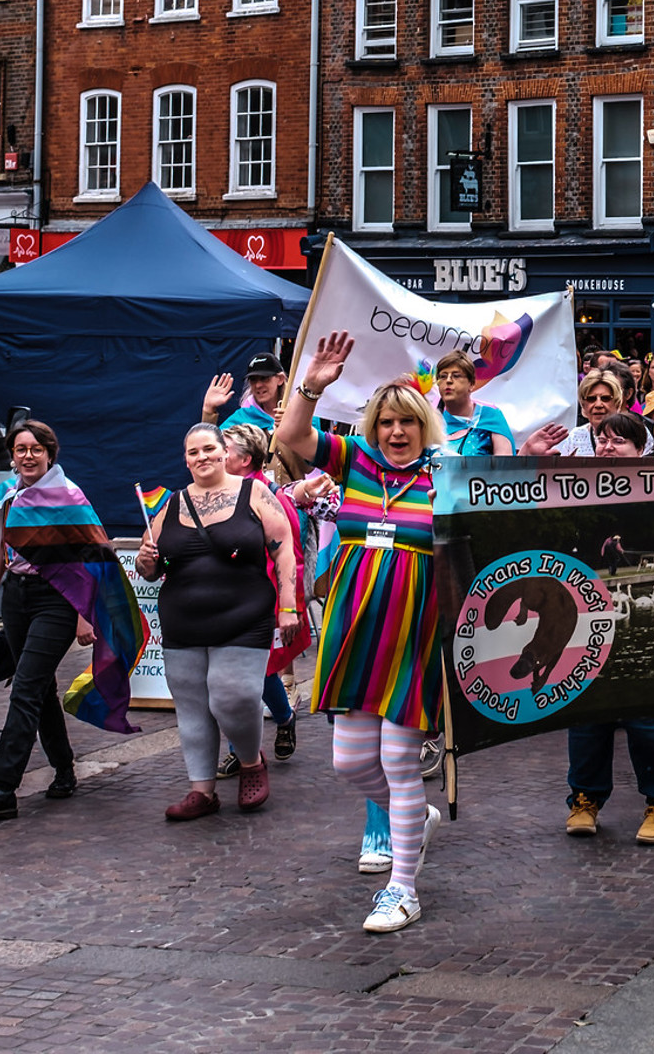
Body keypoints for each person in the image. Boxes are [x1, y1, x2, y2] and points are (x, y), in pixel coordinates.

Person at [279, 333, 447, 934]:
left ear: (424, 426)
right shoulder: (354, 462)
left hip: (413, 638)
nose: (396, 432)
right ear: (372, 427)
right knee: (351, 763)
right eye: (386, 422)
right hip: (352, 635)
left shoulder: (446, 478)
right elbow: (291, 438)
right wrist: (312, 386)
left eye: (407, 422)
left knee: (399, 763)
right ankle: (413, 817)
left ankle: (403, 887)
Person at [133, 424, 298, 819]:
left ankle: (249, 761)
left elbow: (284, 547)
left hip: (245, 617)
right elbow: (150, 565)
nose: (202, 457)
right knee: (191, 707)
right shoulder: (170, 505)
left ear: (225, 452)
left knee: (234, 695)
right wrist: (145, 562)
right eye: (193, 452)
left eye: (209, 448)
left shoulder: (254, 493)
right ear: (185, 459)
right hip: (182, 622)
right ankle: (201, 790)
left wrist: (288, 604)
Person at [0, 419, 101, 821]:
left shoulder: (68, 496)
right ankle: (64, 768)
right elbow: (0, 549)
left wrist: (82, 616)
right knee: (39, 689)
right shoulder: (6, 495)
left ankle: (3, 788)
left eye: (36, 449)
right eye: (20, 449)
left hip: (56, 600)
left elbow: (86, 560)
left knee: (24, 687)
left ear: (50, 453)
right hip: (17, 598)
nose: (27, 456)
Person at [566, 408, 654, 846]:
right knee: (585, 713)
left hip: (634, 616)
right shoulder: (576, 495)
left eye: (618, 441)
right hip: (588, 615)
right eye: (601, 439)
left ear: (642, 450)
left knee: (647, 713)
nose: (607, 447)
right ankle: (584, 797)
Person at [212, 424, 310, 774]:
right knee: (232, 677)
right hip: (223, 601)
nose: (216, 454)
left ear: (244, 459)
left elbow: (292, 556)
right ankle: (249, 743)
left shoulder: (272, 497)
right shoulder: (211, 494)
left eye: (224, 448)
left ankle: (274, 724)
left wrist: (290, 608)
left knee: (255, 675)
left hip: (263, 602)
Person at [433, 349, 514, 456]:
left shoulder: (491, 417)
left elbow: (505, 467)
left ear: (471, 384)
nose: (448, 380)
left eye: (456, 376)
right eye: (443, 376)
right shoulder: (432, 422)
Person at [559, 368, 650, 457]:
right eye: (591, 399)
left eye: (605, 398)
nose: (598, 404)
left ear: (617, 402)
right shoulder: (574, 437)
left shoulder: (638, 431)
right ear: (583, 405)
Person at [203, 353, 289, 433]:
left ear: (280, 379)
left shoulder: (296, 411)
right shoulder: (242, 418)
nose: (258, 385)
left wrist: (290, 425)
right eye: (253, 379)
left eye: (264, 378)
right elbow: (213, 443)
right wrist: (208, 410)